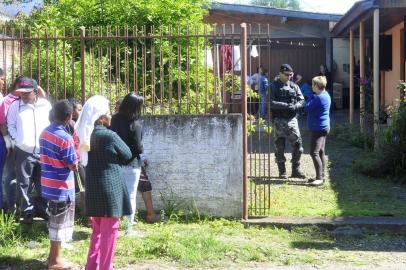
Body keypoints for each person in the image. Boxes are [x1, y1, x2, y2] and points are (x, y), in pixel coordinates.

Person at [75, 95, 132, 270]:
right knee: (110, 231)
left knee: (98, 231)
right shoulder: (109, 136)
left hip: (93, 186)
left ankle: (92, 266)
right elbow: (128, 154)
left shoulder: (84, 134)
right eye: (108, 113)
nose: (111, 115)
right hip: (110, 187)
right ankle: (106, 267)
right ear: (100, 117)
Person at [7, 77, 52, 223]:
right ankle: (26, 211)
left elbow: (51, 123)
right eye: (22, 93)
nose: (24, 96)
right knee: (23, 182)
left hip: (43, 150)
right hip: (23, 150)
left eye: (27, 93)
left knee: (43, 182)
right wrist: (17, 140)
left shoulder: (45, 105)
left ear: (35, 92)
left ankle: (42, 208)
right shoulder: (15, 106)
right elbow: (10, 125)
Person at [40, 100, 78, 270]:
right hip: (61, 187)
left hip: (48, 184)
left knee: (54, 220)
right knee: (59, 223)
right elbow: (72, 165)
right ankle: (55, 261)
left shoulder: (45, 132)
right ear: (69, 117)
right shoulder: (65, 137)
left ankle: (53, 257)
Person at [110, 93, 147, 232]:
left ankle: (114, 224)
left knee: (116, 194)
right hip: (131, 163)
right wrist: (143, 158)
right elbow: (138, 146)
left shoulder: (113, 119)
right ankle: (128, 228)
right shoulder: (135, 123)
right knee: (130, 195)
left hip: (115, 162)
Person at [270, 64, 306, 179]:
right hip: (279, 120)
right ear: (280, 73)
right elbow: (271, 103)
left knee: (298, 145)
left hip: (292, 120)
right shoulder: (273, 86)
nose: (289, 77)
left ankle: (295, 169)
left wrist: (296, 106)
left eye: (291, 75)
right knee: (279, 146)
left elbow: (302, 100)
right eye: (287, 75)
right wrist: (286, 106)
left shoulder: (294, 86)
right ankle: (282, 171)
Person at [304, 76, 331, 186]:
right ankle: (321, 176)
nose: (311, 86)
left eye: (312, 84)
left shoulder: (318, 98)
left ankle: (319, 178)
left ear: (316, 86)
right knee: (321, 152)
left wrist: (311, 96)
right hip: (324, 127)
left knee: (314, 152)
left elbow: (306, 107)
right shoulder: (326, 95)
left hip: (318, 128)